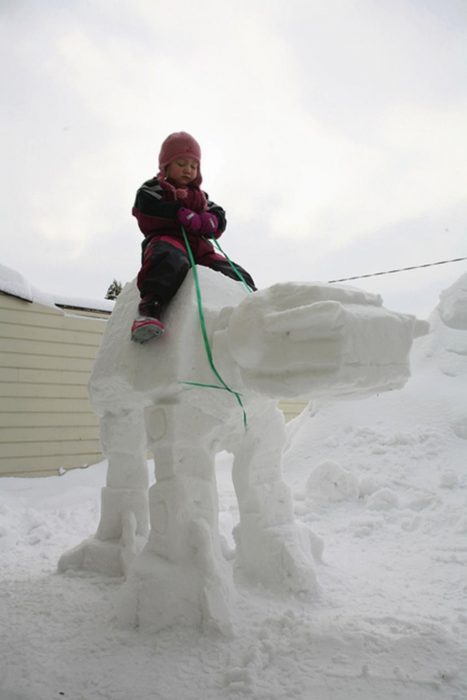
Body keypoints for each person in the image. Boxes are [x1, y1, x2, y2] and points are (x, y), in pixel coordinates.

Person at [131, 131, 256, 343]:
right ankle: (150, 309)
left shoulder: (201, 197)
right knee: (168, 259)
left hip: (200, 248)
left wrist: (212, 220)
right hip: (168, 239)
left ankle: (253, 305)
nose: (188, 170)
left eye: (193, 166)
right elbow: (146, 206)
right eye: (181, 163)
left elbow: (219, 212)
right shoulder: (154, 188)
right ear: (166, 165)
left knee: (230, 270)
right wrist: (177, 213)